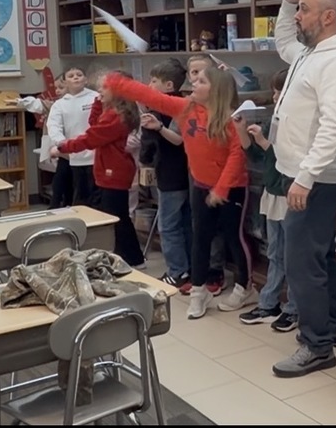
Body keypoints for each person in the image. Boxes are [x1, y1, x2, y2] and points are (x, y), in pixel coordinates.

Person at [101, 66, 254, 320]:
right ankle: (198, 291)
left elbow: (237, 156)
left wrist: (221, 189)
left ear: (215, 90)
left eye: (201, 80)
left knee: (233, 238)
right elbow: (151, 97)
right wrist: (117, 82)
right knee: (200, 237)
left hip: (232, 187)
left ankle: (245, 286)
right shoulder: (185, 108)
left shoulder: (231, 118)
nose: (193, 82)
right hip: (201, 185)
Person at [271, 0, 336, 378]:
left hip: (315, 176)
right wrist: (288, 0)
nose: (297, 17)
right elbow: (283, 42)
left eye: (304, 10)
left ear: (328, 17)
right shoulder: (311, 54)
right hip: (305, 172)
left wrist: (305, 179)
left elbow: (334, 127)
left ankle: (317, 346)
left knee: (301, 263)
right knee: (323, 252)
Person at [52, 71, 143, 267]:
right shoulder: (110, 112)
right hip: (108, 171)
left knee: (118, 219)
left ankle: (133, 259)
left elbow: (91, 137)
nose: (99, 91)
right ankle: (126, 257)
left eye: (104, 88)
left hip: (115, 172)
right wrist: (99, 102)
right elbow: (94, 125)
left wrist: (62, 147)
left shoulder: (117, 116)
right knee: (114, 216)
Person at [236, 68, 300, 332]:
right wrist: (242, 130)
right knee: (275, 253)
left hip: (291, 196)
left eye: (279, 91)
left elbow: (286, 154)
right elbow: (254, 152)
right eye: (274, 91)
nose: (275, 96)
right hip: (273, 193)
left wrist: (264, 142)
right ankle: (269, 302)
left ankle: (294, 309)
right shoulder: (274, 119)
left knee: (293, 256)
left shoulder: (297, 123)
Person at [140, 58, 193, 288]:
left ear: (169, 86)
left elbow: (177, 140)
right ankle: (185, 268)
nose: (149, 85)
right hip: (177, 173)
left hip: (174, 175)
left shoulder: (173, 108)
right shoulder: (167, 107)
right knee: (180, 223)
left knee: (169, 225)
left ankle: (178, 271)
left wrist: (158, 127)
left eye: (154, 81)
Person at [183, 53, 228, 296]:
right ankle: (198, 275)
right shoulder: (189, 105)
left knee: (218, 229)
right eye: (194, 73)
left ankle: (215, 272)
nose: (198, 77)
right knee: (198, 226)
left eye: (203, 73)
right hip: (196, 175)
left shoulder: (221, 107)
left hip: (220, 177)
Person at [46, 65, 99, 208]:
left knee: (97, 197)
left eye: (79, 74)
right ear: (65, 82)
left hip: (96, 155)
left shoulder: (96, 98)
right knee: (80, 197)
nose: (75, 77)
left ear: (86, 80)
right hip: (74, 156)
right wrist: (63, 144)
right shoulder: (60, 104)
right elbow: (54, 127)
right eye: (71, 76)